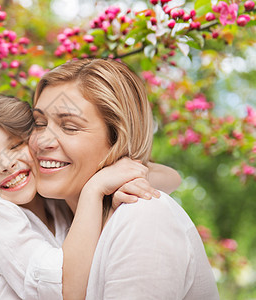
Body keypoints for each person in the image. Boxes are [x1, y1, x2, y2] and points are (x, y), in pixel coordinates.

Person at [0, 94, 171, 299]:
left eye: (15, 145)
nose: (6, 165)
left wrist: (113, 178)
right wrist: (95, 189)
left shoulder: (53, 200)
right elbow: (61, 290)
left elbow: (169, 179)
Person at [30, 58, 219, 299]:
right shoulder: (54, 223)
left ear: (117, 137)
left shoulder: (142, 217)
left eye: (70, 127)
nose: (41, 142)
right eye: (38, 123)